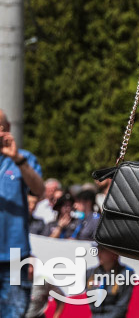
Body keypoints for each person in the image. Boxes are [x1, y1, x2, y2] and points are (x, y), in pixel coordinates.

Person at [0, 108, 44, 318]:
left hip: (15, 255)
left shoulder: (24, 159)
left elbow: (39, 190)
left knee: (15, 312)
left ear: (6, 129)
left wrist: (17, 158)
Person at [87, 248, 134, 318]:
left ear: (114, 253)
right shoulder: (90, 273)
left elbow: (121, 307)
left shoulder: (126, 273)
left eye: (103, 251)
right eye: (98, 250)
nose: (98, 254)